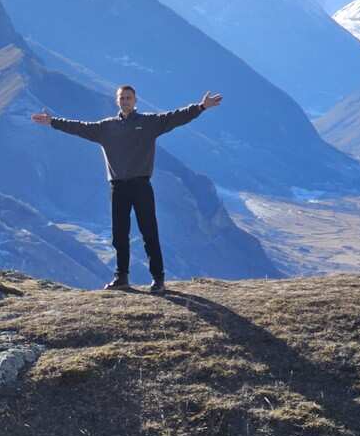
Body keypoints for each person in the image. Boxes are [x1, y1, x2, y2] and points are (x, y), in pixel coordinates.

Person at [32, 85, 222, 293]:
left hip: (141, 186)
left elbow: (176, 117)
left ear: (135, 100)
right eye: (122, 98)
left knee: (149, 233)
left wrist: (201, 107)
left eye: (128, 98)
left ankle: (158, 280)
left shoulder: (149, 123)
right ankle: (121, 278)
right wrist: (52, 122)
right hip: (118, 187)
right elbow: (79, 127)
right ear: (117, 101)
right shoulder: (105, 128)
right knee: (119, 235)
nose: (125, 101)